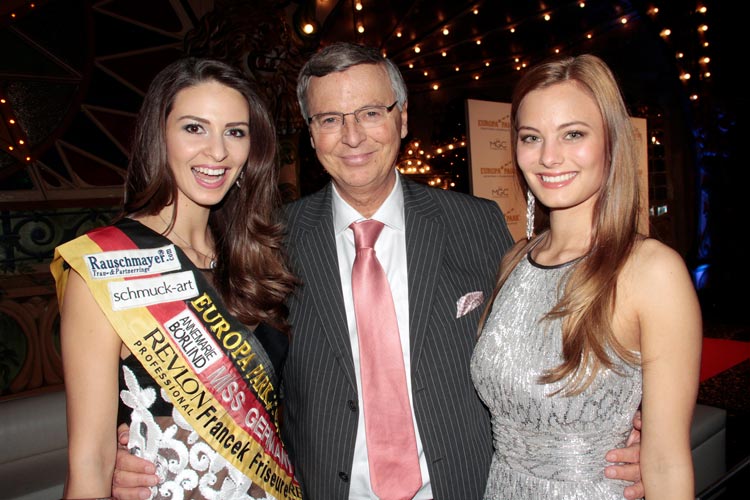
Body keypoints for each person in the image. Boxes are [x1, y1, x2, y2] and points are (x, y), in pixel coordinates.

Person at [111, 43, 646, 500]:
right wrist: (148, 442)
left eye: (371, 112)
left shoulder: (477, 224)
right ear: (312, 133)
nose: (352, 136)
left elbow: (541, 348)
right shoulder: (267, 240)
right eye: (329, 119)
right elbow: (224, 374)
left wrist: (623, 428)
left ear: (402, 118)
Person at [51, 57, 299, 500]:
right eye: (194, 128)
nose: (218, 152)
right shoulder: (106, 264)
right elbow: (89, 462)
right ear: (159, 136)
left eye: (235, 132)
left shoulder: (256, 260)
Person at [470, 53, 702, 499]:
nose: (549, 157)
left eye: (573, 134)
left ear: (611, 142)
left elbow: (667, 461)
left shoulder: (651, 272)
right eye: (531, 137)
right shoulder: (514, 261)